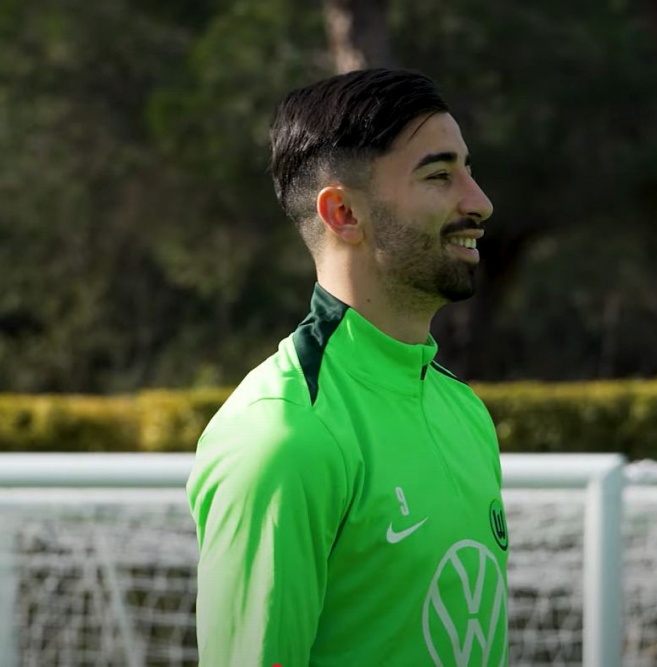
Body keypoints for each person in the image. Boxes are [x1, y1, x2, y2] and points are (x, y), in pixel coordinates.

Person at [187, 68, 510, 667]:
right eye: (439, 175)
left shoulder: (464, 411)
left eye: (467, 169)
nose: (479, 201)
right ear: (342, 213)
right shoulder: (285, 436)